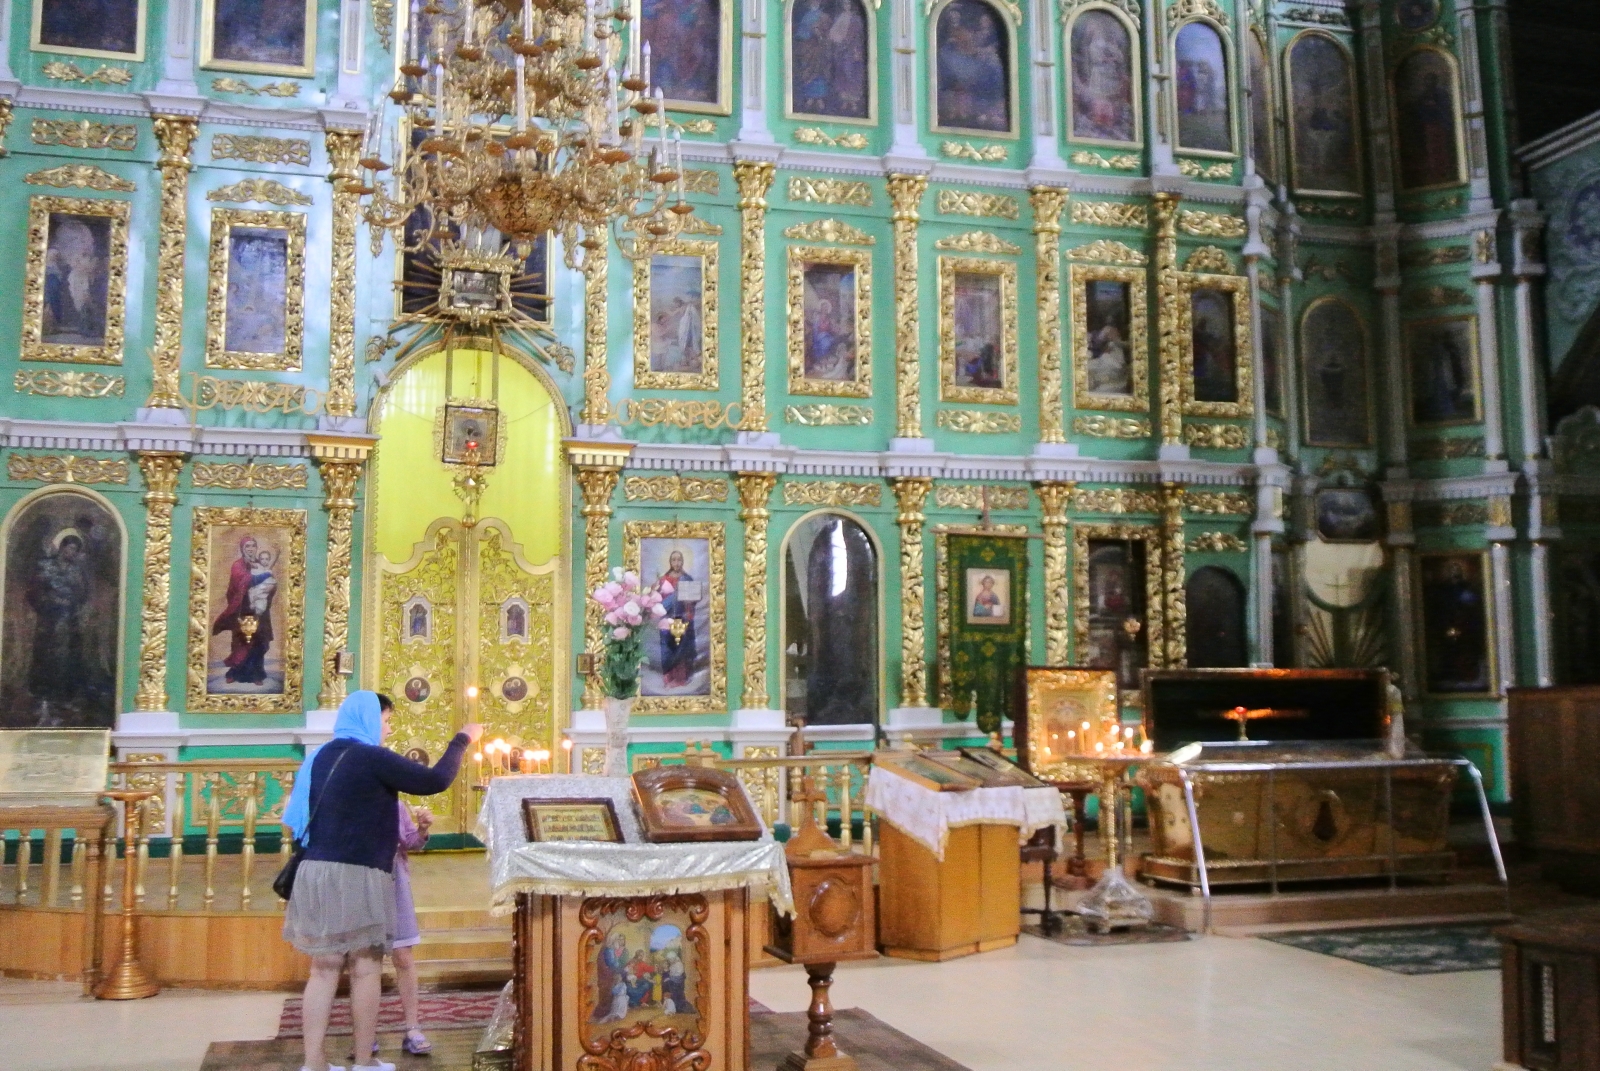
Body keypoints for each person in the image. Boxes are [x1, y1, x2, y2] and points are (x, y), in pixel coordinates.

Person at [281, 691, 482, 1071]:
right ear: (368, 719)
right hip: (357, 872)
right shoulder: (371, 757)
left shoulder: (321, 757)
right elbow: (435, 779)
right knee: (365, 968)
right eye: (386, 721)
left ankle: (313, 1063)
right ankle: (363, 1062)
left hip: (315, 870)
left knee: (323, 970)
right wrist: (463, 739)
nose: (387, 729)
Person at [374, 694, 434, 1057]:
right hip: (364, 876)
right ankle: (365, 1032)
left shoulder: (393, 793)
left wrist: (422, 829)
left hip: (394, 878)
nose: (390, 728)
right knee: (363, 959)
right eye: (386, 721)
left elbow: (409, 841)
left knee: (404, 955)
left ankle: (412, 1027)